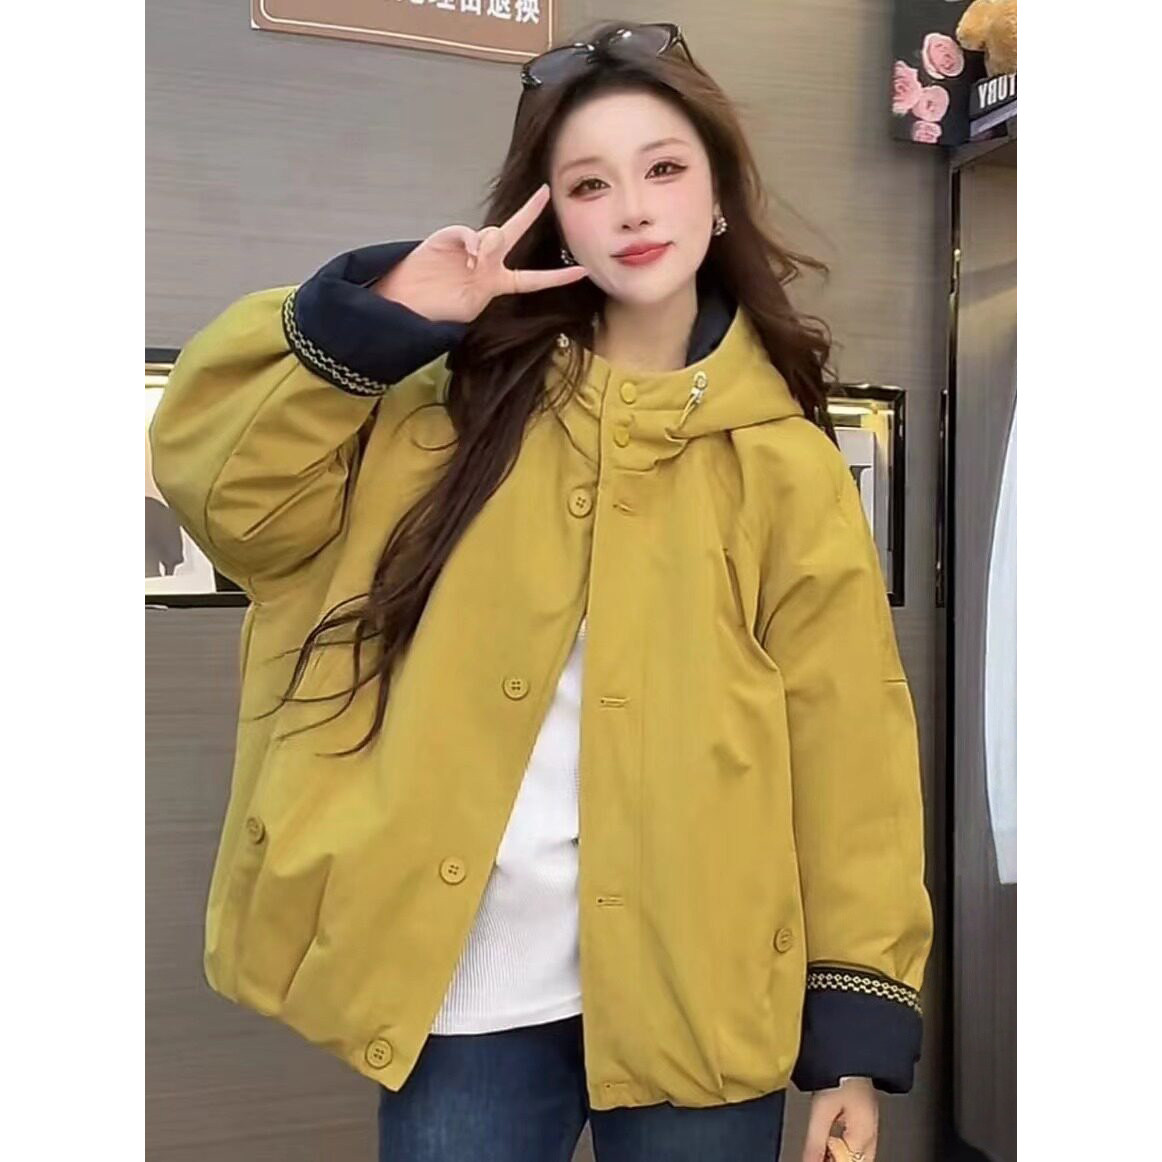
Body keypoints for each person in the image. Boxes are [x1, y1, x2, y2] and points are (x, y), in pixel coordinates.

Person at [149, 20, 933, 1162]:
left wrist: (853, 1034)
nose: (633, 209)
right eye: (589, 183)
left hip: (703, 992)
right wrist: (382, 318)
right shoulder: (447, 411)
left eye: (664, 169)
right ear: (552, 214)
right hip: (472, 991)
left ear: (718, 197)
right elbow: (237, 505)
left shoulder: (787, 465)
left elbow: (849, 750)